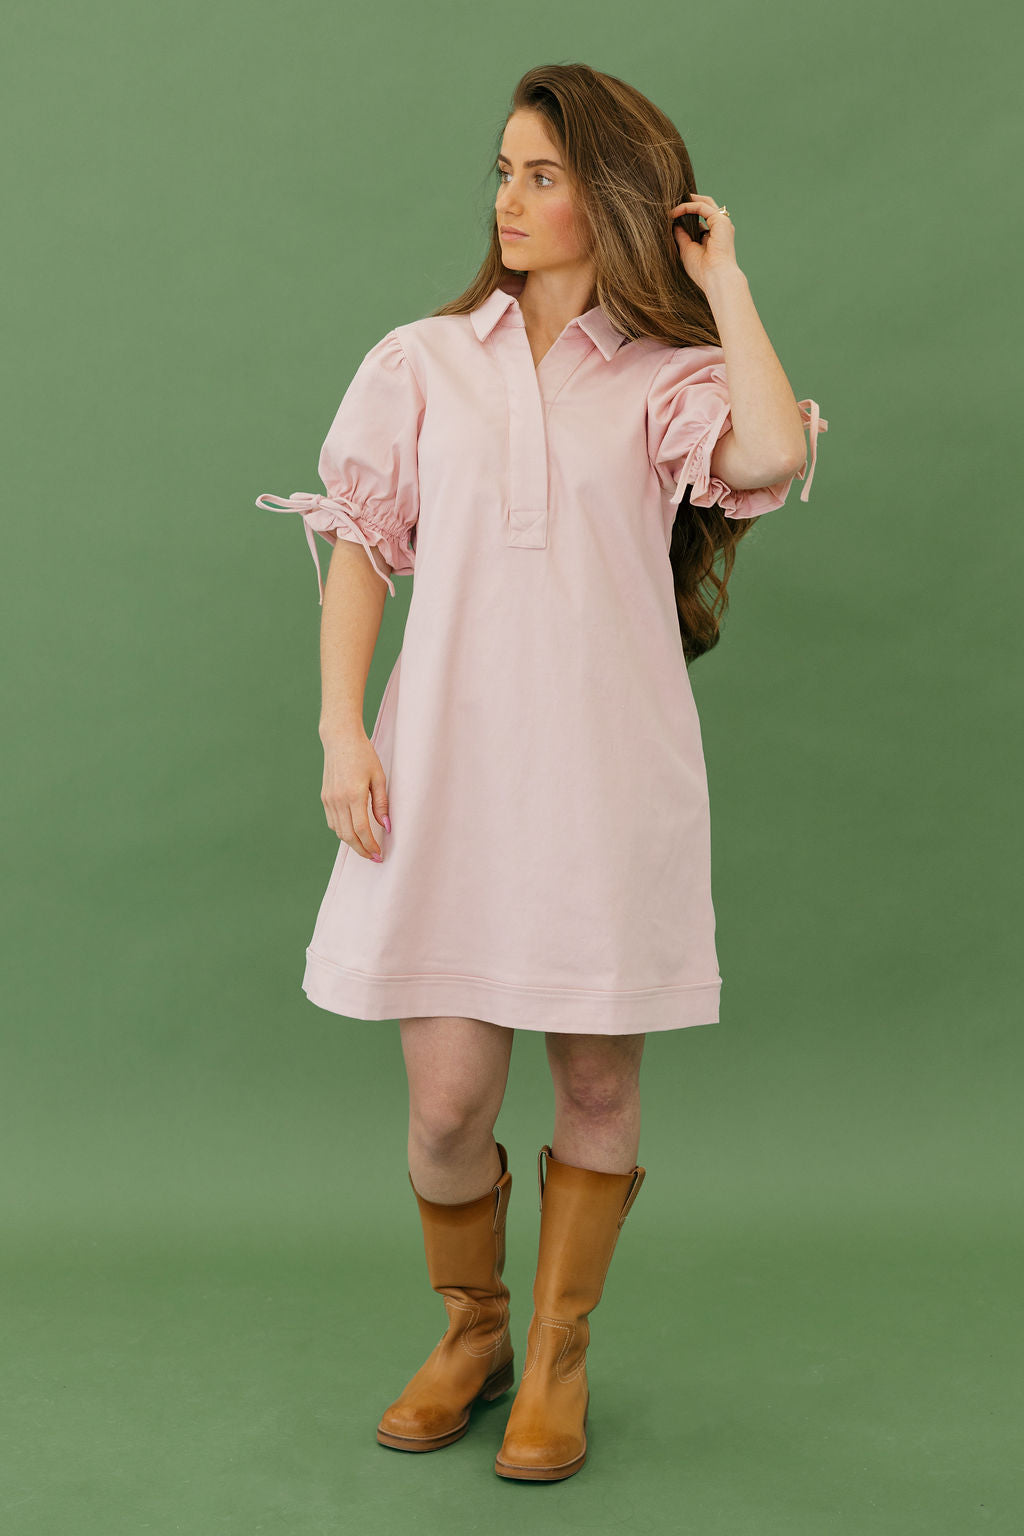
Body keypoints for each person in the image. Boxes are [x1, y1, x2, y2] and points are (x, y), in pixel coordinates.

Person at [255, 62, 827, 1483]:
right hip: (447, 775)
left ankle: (561, 1354)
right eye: (504, 171)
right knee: (447, 1106)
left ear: (612, 198)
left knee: (599, 1093)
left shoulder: (667, 379)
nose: (508, 200)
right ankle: (476, 1329)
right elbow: (362, 547)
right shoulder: (422, 361)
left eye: (544, 175)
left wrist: (723, 278)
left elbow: (766, 451)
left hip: (606, 784)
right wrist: (341, 731)